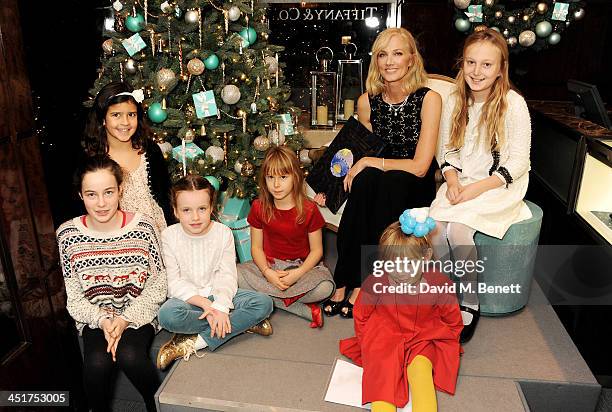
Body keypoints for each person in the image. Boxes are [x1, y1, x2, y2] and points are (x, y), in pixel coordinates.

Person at [315, 27, 441, 319]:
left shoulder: (429, 99)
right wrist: (329, 185)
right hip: (375, 179)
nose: (390, 61)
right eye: (383, 54)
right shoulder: (366, 101)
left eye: (398, 53)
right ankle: (346, 278)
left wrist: (373, 162)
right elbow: (358, 150)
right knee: (365, 181)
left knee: (384, 181)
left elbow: (421, 166)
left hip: (412, 180)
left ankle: (362, 282)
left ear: (411, 59)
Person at [428, 28, 532, 343]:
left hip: (498, 184)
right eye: (471, 63)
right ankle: (445, 294)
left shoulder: (513, 104)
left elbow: (518, 161)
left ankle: (469, 302)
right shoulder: (455, 100)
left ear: (501, 68)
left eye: (487, 65)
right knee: (434, 229)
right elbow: (447, 151)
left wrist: (474, 190)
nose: (477, 71)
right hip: (463, 179)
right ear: (462, 64)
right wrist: (452, 180)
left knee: (458, 231)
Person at [56, 155, 167, 412]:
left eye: (108, 192)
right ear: (80, 195)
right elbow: (74, 297)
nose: (102, 202)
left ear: (120, 190)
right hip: (95, 316)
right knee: (96, 363)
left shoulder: (143, 227)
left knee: (130, 355)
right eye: (92, 194)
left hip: (138, 311)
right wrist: (104, 320)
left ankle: (157, 405)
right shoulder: (67, 235)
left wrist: (125, 319)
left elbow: (158, 284)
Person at [340, 209, 463, 412]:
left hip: (423, 336)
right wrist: (367, 344)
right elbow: (361, 314)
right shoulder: (376, 280)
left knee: (421, 372)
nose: (398, 271)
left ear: (425, 258)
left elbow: (453, 320)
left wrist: (444, 342)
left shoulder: (440, 283)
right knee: (382, 383)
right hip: (383, 335)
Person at [155, 175, 274, 370]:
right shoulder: (169, 235)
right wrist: (206, 306)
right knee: (167, 315)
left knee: (263, 303)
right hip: (190, 300)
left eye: (202, 209)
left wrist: (220, 307)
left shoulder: (223, 232)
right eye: (186, 210)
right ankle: (241, 324)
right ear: (176, 211)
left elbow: (227, 276)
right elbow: (174, 282)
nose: (195, 217)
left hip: (219, 293)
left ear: (212, 207)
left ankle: (192, 342)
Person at [237, 146, 335, 328]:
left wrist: (298, 273)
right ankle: (298, 307)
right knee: (234, 275)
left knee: (326, 287)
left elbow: (317, 251)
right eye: (270, 177)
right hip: (269, 267)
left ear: (295, 177)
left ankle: (271, 299)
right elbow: (256, 248)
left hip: (301, 267)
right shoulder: (259, 207)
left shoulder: (309, 209)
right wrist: (268, 273)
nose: (276, 185)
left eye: (283, 177)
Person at [83, 82, 173, 234]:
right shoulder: (94, 160)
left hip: (159, 232)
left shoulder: (150, 151)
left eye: (131, 114)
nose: (125, 122)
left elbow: (167, 195)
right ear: (103, 119)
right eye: (116, 115)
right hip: (120, 237)